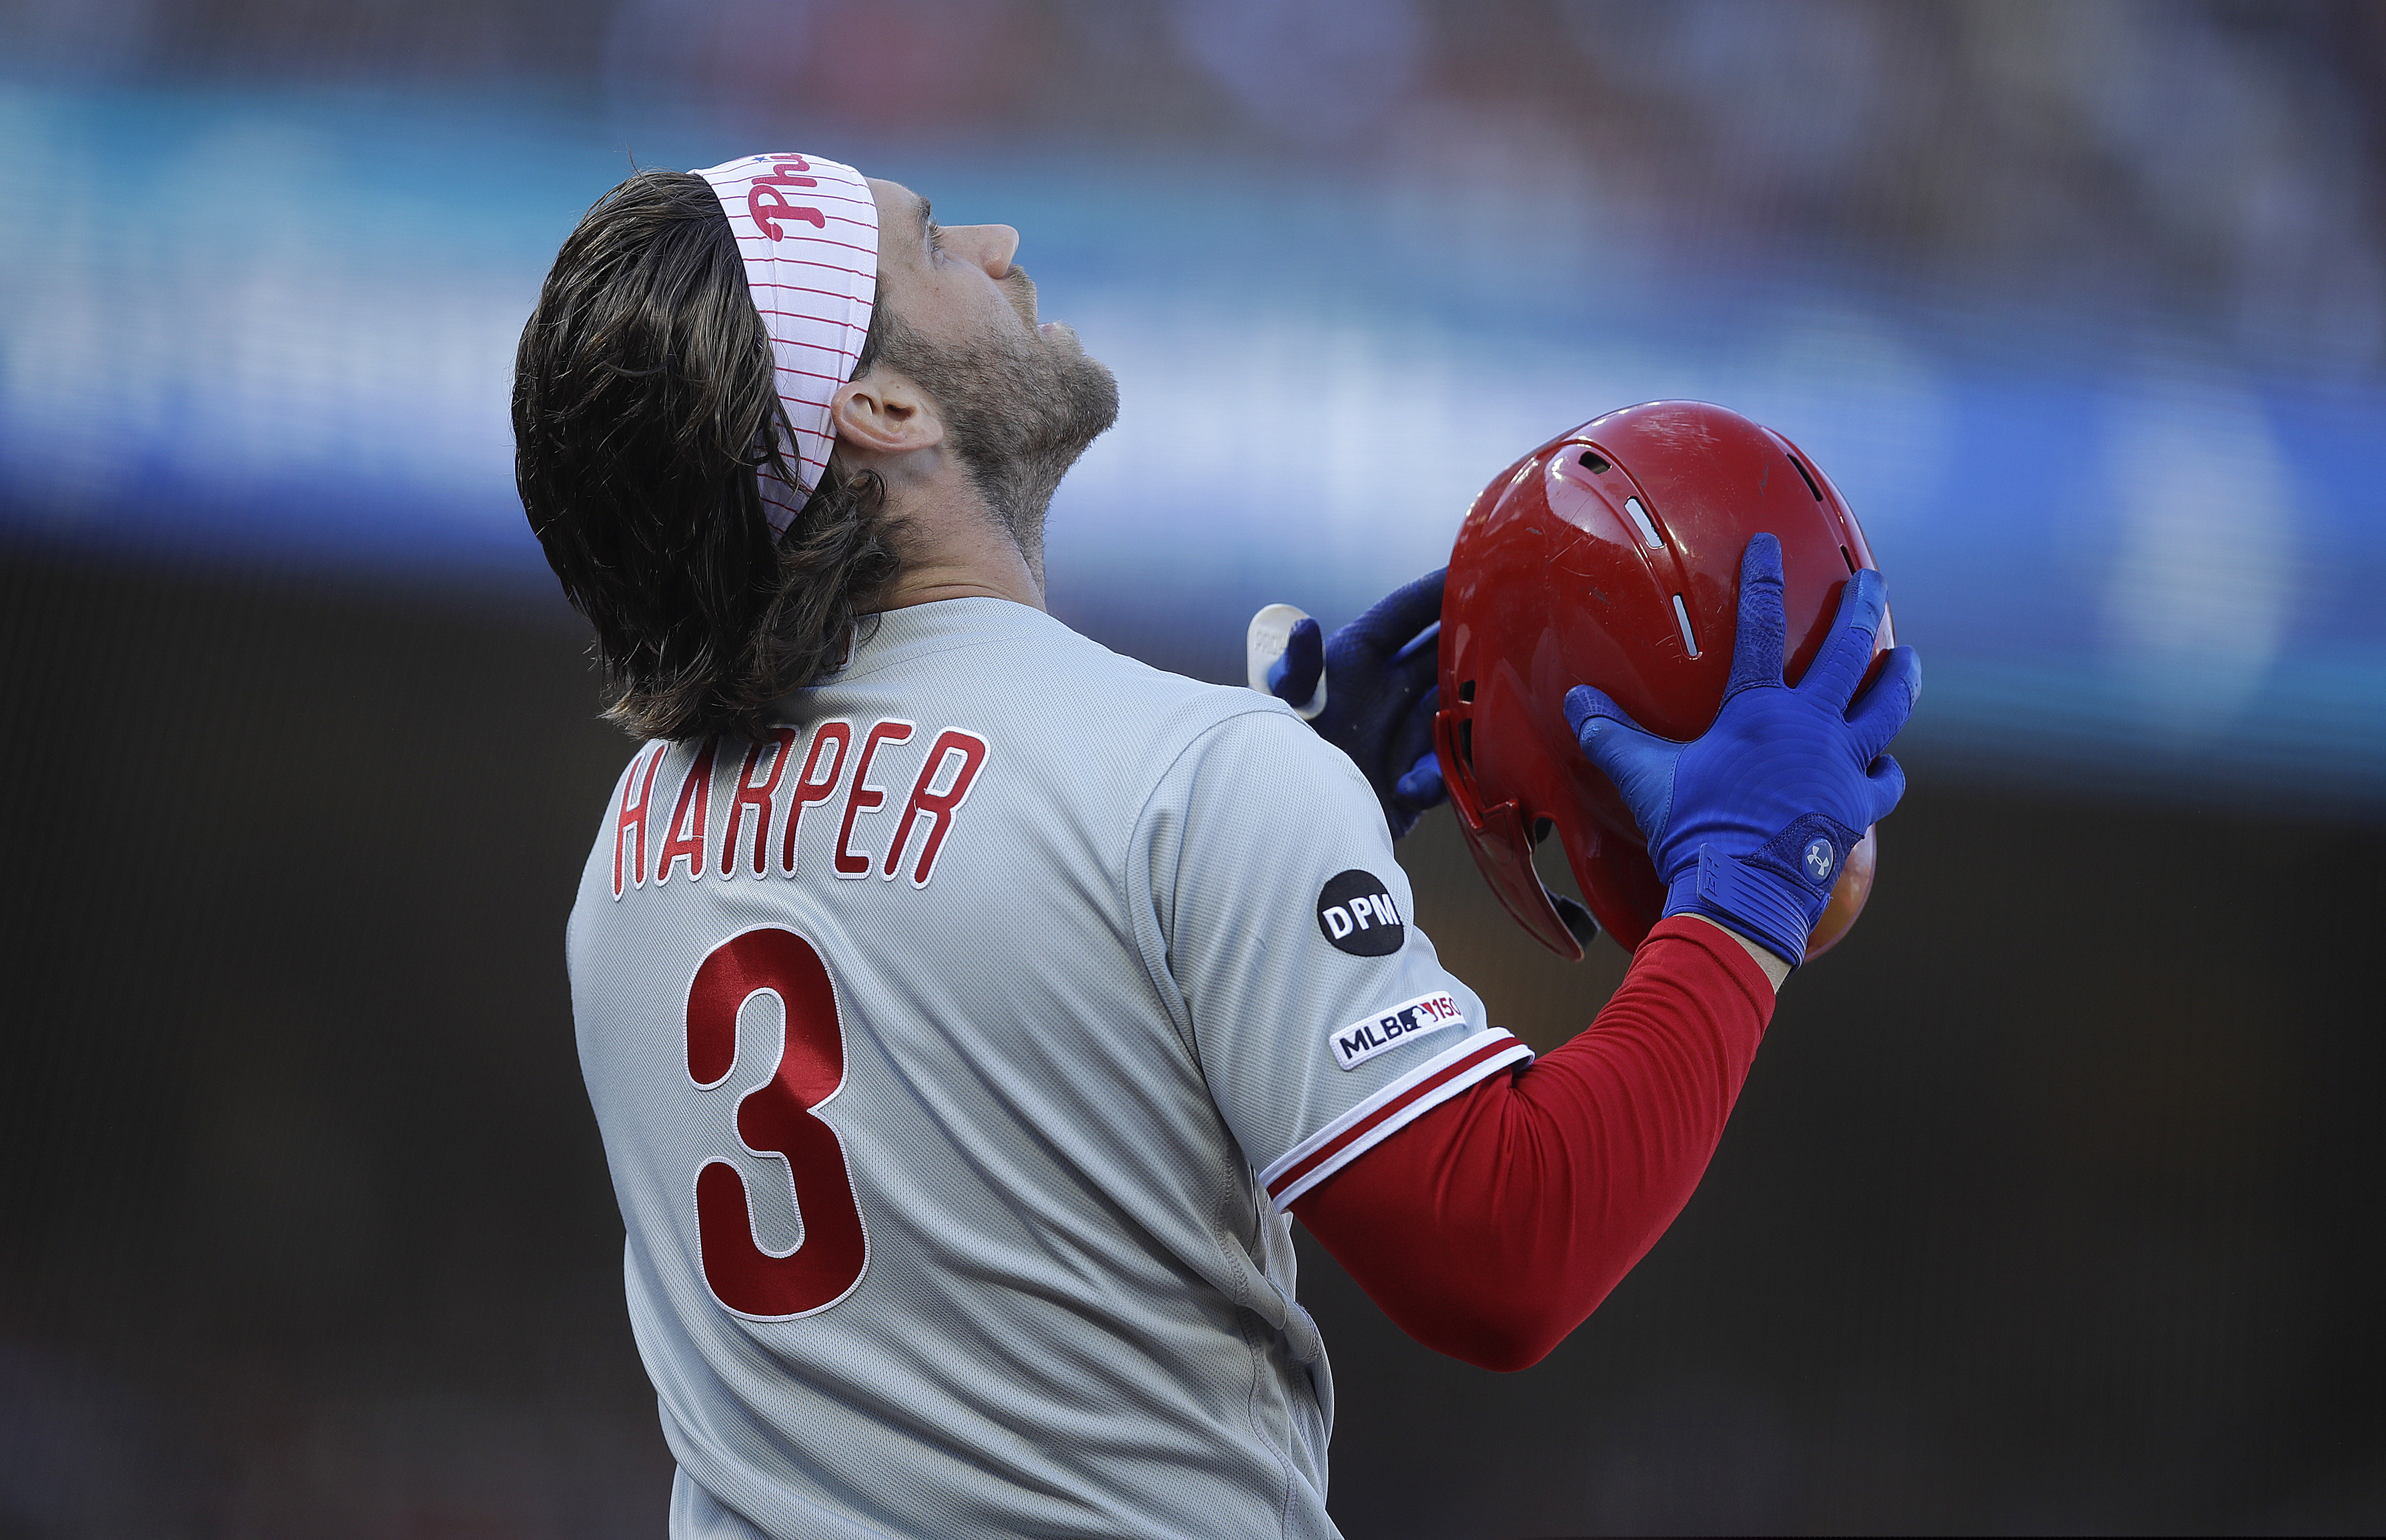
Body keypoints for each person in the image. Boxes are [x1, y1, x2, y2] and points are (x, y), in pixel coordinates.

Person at [513, 152, 1917, 1539]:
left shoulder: (632, 846)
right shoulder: (1184, 780)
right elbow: (1506, 1247)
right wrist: (1744, 892)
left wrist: (1291, 825)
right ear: (880, 408)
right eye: (934, 243)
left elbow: (997, 987)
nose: (998, 240)